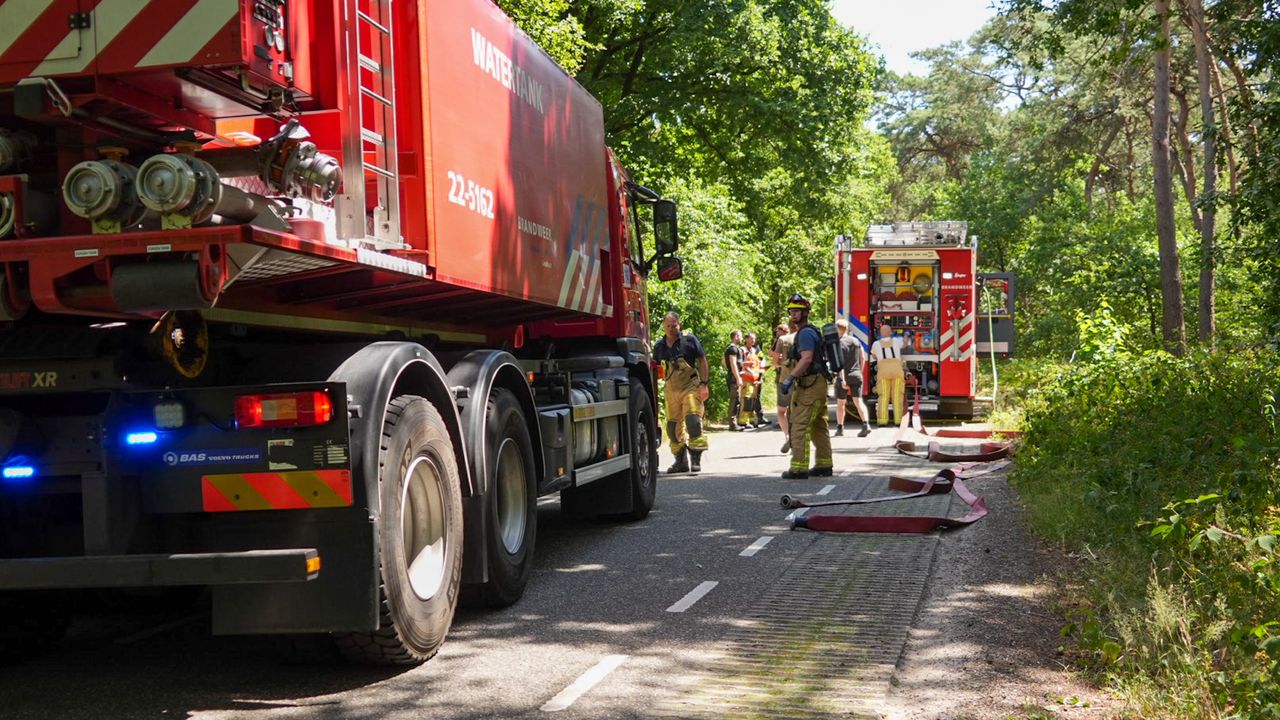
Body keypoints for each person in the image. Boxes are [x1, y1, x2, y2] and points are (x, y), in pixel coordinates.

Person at [778, 294, 832, 479]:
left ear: (805, 313)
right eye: (791, 311)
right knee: (818, 425)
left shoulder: (806, 333)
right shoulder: (810, 331)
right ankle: (824, 464)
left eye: (797, 311)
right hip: (816, 384)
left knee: (800, 425)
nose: (793, 315)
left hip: (810, 386)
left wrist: (789, 378)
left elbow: (807, 357)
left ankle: (798, 468)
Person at [655, 312, 711, 472]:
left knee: (693, 421)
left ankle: (695, 459)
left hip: (690, 387)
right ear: (664, 327)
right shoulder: (659, 346)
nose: (671, 329)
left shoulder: (689, 340)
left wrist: (704, 384)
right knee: (672, 428)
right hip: (671, 390)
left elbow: (702, 361)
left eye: (674, 326)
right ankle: (681, 461)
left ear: (679, 324)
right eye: (668, 326)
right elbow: (655, 370)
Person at [833, 319, 872, 437]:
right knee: (858, 401)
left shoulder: (839, 343)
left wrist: (843, 379)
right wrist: (860, 371)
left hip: (844, 376)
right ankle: (866, 424)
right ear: (847, 328)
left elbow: (840, 364)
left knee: (841, 404)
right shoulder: (856, 341)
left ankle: (840, 428)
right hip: (856, 375)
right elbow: (863, 358)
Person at [869, 324, 907, 427]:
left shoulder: (876, 344)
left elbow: (873, 356)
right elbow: (905, 344)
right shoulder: (896, 341)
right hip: (897, 372)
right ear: (890, 332)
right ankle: (898, 421)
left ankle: (882, 420)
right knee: (897, 396)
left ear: (880, 333)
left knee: (883, 396)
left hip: (883, 373)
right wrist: (907, 335)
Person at [771, 321, 797, 453]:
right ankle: (797, 440)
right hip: (801, 380)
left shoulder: (782, 340)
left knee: (782, 411)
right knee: (798, 412)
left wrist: (783, 363)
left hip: (785, 379)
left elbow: (774, 362)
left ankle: (787, 436)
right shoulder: (804, 337)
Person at [739, 332, 766, 428]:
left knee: (753, 400)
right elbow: (737, 362)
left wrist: (760, 374)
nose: (753, 340)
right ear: (746, 339)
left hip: (755, 379)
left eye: (754, 339)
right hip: (746, 378)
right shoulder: (742, 350)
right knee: (746, 399)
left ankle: (751, 420)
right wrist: (746, 363)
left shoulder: (755, 350)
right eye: (751, 338)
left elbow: (760, 362)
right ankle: (743, 421)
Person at [722, 330, 744, 431]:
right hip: (734, 378)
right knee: (735, 399)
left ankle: (734, 422)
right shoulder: (733, 349)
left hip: (732, 376)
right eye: (740, 336)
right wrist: (737, 377)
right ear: (735, 337)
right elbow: (733, 363)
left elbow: (723, 362)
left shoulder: (729, 348)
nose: (741, 338)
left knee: (736, 399)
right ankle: (733, 423)